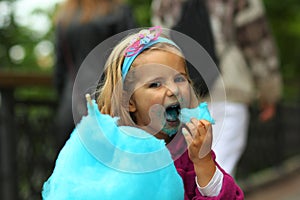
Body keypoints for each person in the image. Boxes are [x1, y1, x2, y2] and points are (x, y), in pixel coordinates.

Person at [42, 26, 244, 199]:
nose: (173, 90)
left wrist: (204, 162)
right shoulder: (114, 153)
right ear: (129, 101)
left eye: (180, 79)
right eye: (156, 84)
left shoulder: (189, 152)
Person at [151, 0, 283, 176]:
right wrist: (269, 91)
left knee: (189, 173)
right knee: (220, 171)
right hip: (228, 88)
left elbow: (161, 45)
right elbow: (256, 40)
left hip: (183, 95)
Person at [53, 0, 136, 150]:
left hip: (70, 108)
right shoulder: (118, 12)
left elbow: (60, 71)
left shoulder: (65, 18)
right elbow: (131, 59)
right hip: (109, 106)